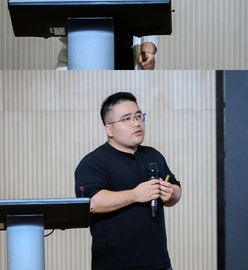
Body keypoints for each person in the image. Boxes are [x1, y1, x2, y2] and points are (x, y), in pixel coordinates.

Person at [75, 92, 182, 270]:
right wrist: (134, 195)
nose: (136, 123)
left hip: (159, 263)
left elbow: (176, 187)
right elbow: (92, 203)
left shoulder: (153, 155)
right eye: (127, 119)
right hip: (114, 264)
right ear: (109, 129)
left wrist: (171, 193)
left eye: (139, 116)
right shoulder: (94, 162)